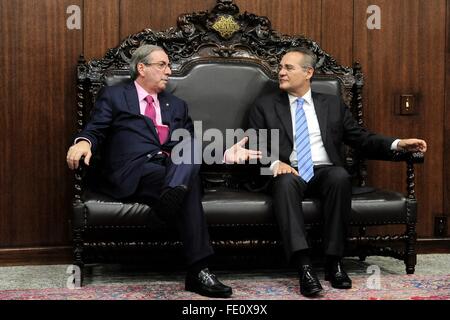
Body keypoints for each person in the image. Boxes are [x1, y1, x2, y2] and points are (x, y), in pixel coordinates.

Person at [66, 44, 260, 298]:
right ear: (141, 68)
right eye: (163, 65)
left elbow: (189, 148)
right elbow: (95, 128)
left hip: (170, 169)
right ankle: (198, 271)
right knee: (187, 186)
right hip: (135, 170)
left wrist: (224, 153)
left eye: (169, 66)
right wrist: (83, 142)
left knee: (190, 144)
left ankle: (171, 197)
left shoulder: (177, 105)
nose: (169, 71)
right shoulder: (115, 96)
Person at [248, 47, 427, 297]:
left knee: (340, 176)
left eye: (288, 68)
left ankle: (334, 262)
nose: (280, 72)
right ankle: (304, 266)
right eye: (280, 67)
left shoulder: (331, 104)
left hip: (324, 170)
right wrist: (275, 164)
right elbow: (254, 144)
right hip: (289, 171)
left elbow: (361, 138)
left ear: (308, 72)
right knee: (285, 182)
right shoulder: (264, 106)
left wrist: (397, 143)